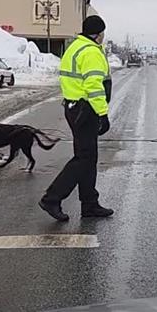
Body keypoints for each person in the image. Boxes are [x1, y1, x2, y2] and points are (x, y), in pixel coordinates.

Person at [39, 15, 114, 221]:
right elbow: (93, 86)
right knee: (84, 158)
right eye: (102, 33)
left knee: (88, 157)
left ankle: (90, 203)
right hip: (86, 109)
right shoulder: (91, 52)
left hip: (74, 107)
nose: (103, 37)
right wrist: (102, 113)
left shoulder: (75, 47)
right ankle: (52, 198)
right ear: (98, 34)